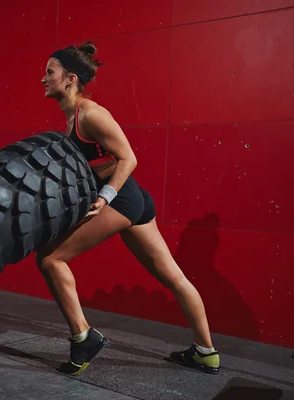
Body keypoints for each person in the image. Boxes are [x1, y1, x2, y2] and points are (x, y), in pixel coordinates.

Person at [37, 41, 221, 376]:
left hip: (123, 199)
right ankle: (206, 352)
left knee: (50, 259)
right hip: (132, 200)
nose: (43, 79)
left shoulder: (90, 113)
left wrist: (104, 197)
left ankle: (84, 337)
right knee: (174, 277)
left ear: (70, 79)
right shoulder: (70, 118)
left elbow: (128, 158)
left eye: (50, 72)